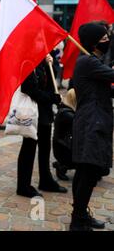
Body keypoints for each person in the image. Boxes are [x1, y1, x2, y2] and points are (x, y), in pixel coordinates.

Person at [70, 23, 114, 231]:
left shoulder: (91, 61)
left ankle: (80, 214)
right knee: (87, 173)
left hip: (93, 121)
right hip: (91, 123)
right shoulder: (89, 62)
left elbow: (104, 89)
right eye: (105, 38)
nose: (107, 41)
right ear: (95, 41)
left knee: (86, 172)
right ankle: (77, 220)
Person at [17, 54, 67, 198]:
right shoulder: (28, 61)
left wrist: (50, 64)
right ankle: (23, 186)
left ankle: (46, 180)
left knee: (45, 146)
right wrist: (52, 98)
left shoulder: (44, 60)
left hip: (44, 111)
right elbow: (29, 89)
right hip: (33, 112)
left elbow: (52, 80)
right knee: (29, 146)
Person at [52, 89, 77, 181]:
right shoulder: (67, 114)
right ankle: (62, 165)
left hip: (63, 145)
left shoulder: (65, 110)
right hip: (64, 148)